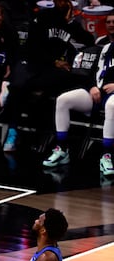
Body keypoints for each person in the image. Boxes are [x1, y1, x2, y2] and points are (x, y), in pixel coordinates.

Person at [1, 0, 95, 152]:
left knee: (63, 81)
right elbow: (32, 48)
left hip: (51, 69)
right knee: (20, 88)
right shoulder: (44, 17)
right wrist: (54, 61)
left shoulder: (70, 25)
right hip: (33, 63)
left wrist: (74, 24)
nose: (71, 13)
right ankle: (12, 129)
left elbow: (89, 40)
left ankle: (43, 134)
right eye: (69, 10)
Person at [42, 39, 114, 175]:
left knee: (112, 106)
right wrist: (92, 86)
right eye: (109, 22)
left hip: (112, 95)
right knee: (63, 100)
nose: (111, 25)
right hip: (98, 92)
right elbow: (92, 73)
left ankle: (107, 155)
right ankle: (62, 149)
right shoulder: (105, 48)